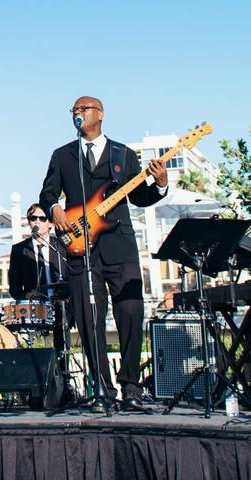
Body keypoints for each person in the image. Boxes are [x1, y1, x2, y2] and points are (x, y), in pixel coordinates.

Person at [39, 96, 168, 413]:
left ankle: (132, 388)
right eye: (74, 111)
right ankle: (102, 390)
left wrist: (161, 184)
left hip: (120, 247)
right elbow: (47, 192)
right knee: (88, 319)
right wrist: (55, 208)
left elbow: (140, 196)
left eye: (83, 110)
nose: (78, 114)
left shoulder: (124, 154)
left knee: (131, 314)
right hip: (80, 248)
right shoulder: (63, 155)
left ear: (101, 115)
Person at [8, 204, 69, 348]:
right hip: (34, 307)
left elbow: (71, 275)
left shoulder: (60, 246)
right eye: (33, 218)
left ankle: (63, 366)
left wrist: (68, 295)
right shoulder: (19, 249)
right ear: (29, 222)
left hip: (61, 303)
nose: (37, 222)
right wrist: (25, 296)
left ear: (50, 223)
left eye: (42, 218)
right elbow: (14, 285)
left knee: (63, 333)